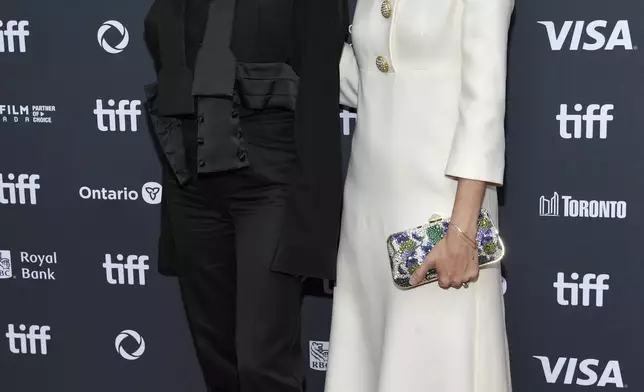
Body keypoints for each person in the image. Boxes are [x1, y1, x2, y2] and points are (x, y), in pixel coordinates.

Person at [142, 0, 348, 391]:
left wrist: (317, 213)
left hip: (270, 181)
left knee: (261, 364)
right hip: (192, 180)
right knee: (218, 359)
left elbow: (320, 86)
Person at [324, 0, 514, 391]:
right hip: (367, 214)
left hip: (439, 220)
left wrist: (462, 232)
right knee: (366, 365)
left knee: (434, 367)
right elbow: (362, 79)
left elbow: (484, 104)